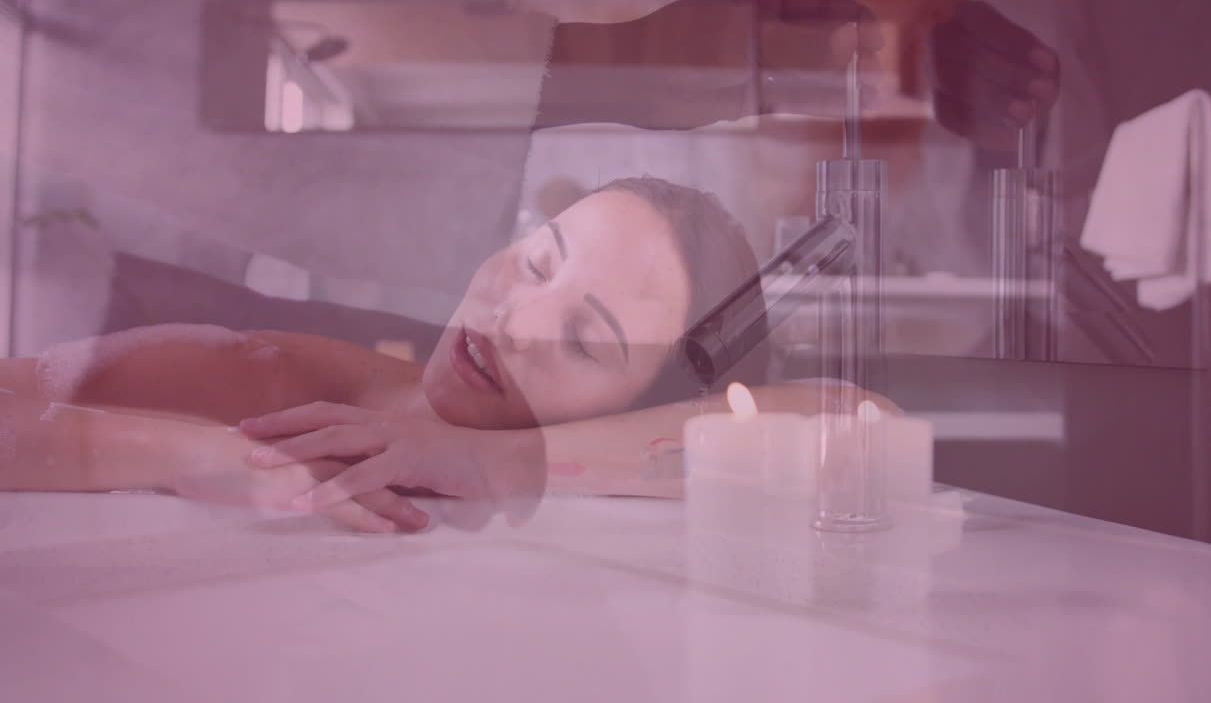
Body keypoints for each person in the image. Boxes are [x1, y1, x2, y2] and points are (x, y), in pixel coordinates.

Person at [0, 176, 896, 533]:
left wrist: (497, 461)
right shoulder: (271, 374)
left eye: (585, 342)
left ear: (647, 408)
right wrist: (213, 455)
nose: (517, 315)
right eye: (538, 260)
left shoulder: (617, 467)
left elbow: (856, 427)